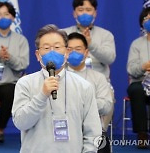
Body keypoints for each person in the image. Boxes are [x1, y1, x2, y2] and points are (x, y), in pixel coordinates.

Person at [12, 24, 102, 153]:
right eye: (47, 48)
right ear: (38, 55)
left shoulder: (83, 86)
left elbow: (93, 131)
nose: (52, 52)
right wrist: (42, 95)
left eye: (57, 47)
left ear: (67, 53)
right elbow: (20, 123)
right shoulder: (25, 83)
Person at [64, 0, 116, 136]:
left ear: (95, 13)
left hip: (98, 83)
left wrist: (91, 45)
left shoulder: (106, 35)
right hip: (69, 79)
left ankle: (99, 134)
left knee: (108, 98)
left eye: (88, 10)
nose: (85, 13)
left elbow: (110, 58)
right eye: (81, 10)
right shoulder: (63, 34)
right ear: (74, 13)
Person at [0, 2, 29, 145]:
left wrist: (10, 58)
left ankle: (0, 130)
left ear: (13, 18)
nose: (3, 18)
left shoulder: (21, 40)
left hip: (10, 80)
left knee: (9, 92)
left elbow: (23, 65)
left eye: (6, 14)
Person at [66, 32, 113, 152]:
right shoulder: (57, 77)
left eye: (78, 49)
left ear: (86, 53)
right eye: (69, 49)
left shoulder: (98, 77)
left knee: (102, 144)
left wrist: (84, 103)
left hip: (91, 127)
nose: (73, 53)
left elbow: (107, 106)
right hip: (64, 128)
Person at [127, 7, 150, 149]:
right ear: (142, 23)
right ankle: (141, 134)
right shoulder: (136, 44)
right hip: (140, 81)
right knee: (136, 90)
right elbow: (130, 69)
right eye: (146, 18)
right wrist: (143, 67)